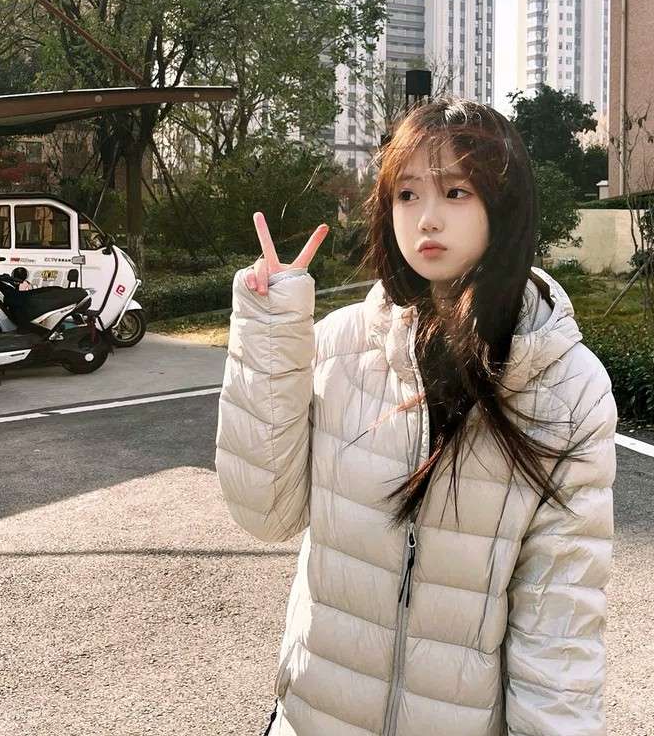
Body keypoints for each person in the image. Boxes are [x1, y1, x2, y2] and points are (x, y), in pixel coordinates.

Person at [215, 97, 617, 736]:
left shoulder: (566, 388)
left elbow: (560, 626)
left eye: (456, 192)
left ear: (504, 204)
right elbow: (265, 513)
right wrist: (270, 335)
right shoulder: (341, 346)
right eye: (407, 194)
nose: (426, 218)